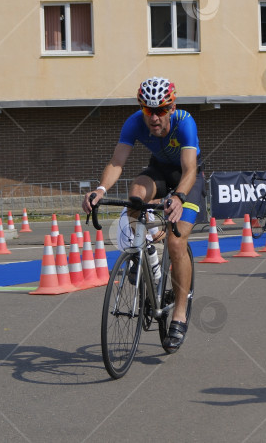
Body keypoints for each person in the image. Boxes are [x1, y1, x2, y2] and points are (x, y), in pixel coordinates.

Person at [83, 77, 204, 353]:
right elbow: (117, 162)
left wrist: (178, 197)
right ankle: (144, 252)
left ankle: (181, 313)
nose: (154, 118)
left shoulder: (185, 122)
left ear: (172, 108)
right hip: (159, 171)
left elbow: (189, 171)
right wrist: (100, 190)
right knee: (135, 196)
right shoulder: (135, 122)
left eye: (161, 110)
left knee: (176, 244)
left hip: (188, 179)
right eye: (148, 111)